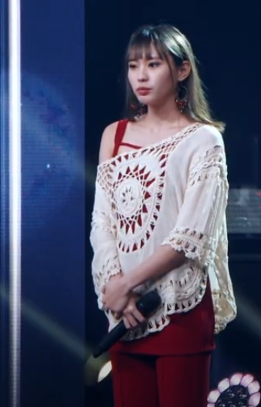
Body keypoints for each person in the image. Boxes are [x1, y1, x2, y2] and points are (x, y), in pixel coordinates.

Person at [90, 24, 237, 407]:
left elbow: (190, 236)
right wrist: (115, 286)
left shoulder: (203, 139)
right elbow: (102, 222)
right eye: (133, 65)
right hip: (126, 314)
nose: (140, 75)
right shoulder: (114, 135)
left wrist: (128, 284)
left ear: (182, 70)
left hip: (179, 309)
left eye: (153, 64)